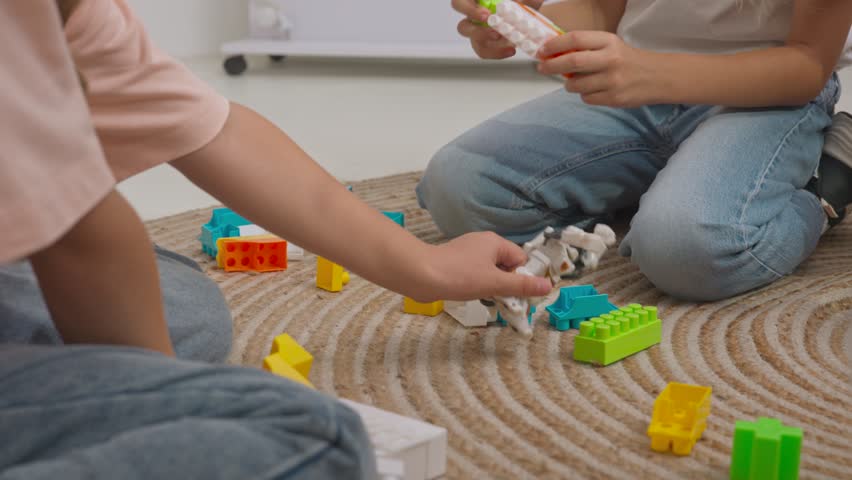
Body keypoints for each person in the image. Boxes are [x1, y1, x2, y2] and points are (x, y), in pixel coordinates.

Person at [0, 1, 552, 478]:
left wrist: (425, 268)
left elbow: (213, 131)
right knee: (311, 436)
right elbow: (80, 234)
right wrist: (168, 405)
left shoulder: (72, 16)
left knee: (183, 306)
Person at [418, 0, 852, 301]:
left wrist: (653, 74)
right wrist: (517, 22)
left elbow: (808, 63)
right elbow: (600, 12)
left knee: (686, 252)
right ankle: (667, 187)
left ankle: (824, 186)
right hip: (639, 83)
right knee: (459, 186)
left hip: (764, 97)